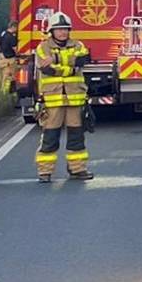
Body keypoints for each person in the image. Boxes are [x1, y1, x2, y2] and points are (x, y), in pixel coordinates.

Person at [33, 12, 93, 182]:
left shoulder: (78, 45)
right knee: (50, 137)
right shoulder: (43, 47)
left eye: (65, 29)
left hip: (75, 98)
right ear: (51, 31)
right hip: (52, 100)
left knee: (77, 137)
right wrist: (69, 67)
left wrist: (58, 59)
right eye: (59, 30)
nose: (63, 33)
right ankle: (45, 172)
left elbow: (83, 59)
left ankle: (78, 169)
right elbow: (47, 69)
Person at [0, 25, 19, 94]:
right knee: (13, 77)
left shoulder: (2, 34)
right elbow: (15, 49)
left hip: (2, 59)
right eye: (16, 28)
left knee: (5, 76)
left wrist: (0, 52)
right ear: (13, 27)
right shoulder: (11, 37)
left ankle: (4, 92)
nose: (16, 30)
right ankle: (13, 92)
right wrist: (19, 55)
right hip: (11, 59)